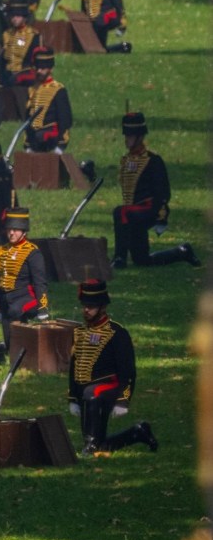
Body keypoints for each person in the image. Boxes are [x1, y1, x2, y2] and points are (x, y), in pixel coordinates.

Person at [68, 278, 158, 457]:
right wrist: (72, 397)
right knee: (103, 444)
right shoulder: (79, 333)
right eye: (85, 305)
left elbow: (128, 371)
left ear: (102, 308)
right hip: (86, 390)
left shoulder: (117, 333)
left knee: (91, 394)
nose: (86, 310)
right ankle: (137, 432)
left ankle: (90, 444)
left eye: (91, 306)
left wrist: (123, 400)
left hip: (110, 386)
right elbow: (74, 368)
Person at [112, 111, 199, 269]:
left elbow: (163, 192)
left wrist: (161, 214)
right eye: (127, 136)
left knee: (120, 212)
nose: (127, 139)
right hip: (133, 213)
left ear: (139, 137)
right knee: (142, 260)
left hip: (149, 209)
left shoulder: (153, 160)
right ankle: (182, 252)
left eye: (131, 136)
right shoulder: (126, 160)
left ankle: (119, 258)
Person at [0, 207, 49, 348]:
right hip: (6, 298)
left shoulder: (32, 252)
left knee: (14, 311)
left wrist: (43, 308)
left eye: (16, 229)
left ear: (23, 231)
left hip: (26, 297)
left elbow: (40, 282)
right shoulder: (1, 251)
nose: (11, 233)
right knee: (8, 333)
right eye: (9, 229)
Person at [23, 46, 73, 153]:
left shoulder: (58, 89)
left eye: (43, 68)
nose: (39, 71)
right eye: (37, 68)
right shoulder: (32, 90)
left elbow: (65, 120)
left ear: (51, 69)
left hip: (52, 139)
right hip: (34, 140)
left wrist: (60, 143)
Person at [0, 1, 42, 87]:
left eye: (18, 16)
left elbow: (38, 63)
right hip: (6, 76)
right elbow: (0, 60)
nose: (14, 19)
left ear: (24, 17)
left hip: (25, 78)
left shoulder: (33, 36)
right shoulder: (6, 34)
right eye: (12, 16)